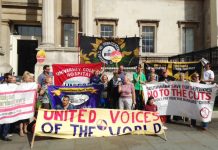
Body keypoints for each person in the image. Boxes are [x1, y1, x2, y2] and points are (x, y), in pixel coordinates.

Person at [0, 73, 13, 141]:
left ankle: (4, 134)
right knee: (2, 120)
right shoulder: (2, 86)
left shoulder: (11, 85)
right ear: (6, 79)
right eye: (10, 78)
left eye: (11, 78)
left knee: (7, 120)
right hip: (2, 105)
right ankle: (2, 134)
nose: (11, 79)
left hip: (8, 105)